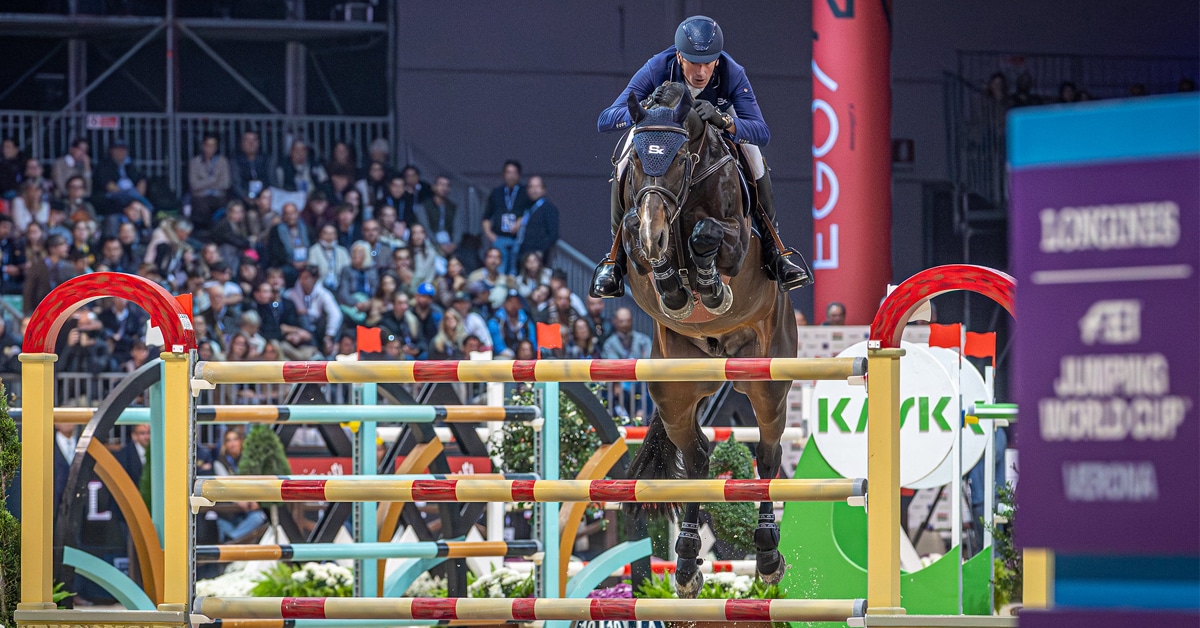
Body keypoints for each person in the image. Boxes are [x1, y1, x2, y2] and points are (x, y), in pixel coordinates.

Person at [590, 15, 811, 297]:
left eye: (709, 62)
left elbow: (761, 131)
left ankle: (775, 250)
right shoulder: (658, 66)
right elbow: (606, 119)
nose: (701, 71)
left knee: (754, 157)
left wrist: (726, 122)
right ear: (679, 56)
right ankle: (615, 259)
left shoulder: (732, 72)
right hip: (666, 131)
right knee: (623, 157)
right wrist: (647, 107)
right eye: (694, 61)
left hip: (716, 125)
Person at [212, 428, 268, 542]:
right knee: (223, 527)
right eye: (228, 440)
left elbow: (254, 483)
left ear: (241, 442)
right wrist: (239, 500)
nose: (232, 444)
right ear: (225, 444)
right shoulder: (220, 462)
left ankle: (232, 539)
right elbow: (226, 486)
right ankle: (232, 540)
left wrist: (254, 499)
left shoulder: (248, 460)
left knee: (259, 517)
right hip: (227, 510)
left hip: (247, 509)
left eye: (235, 439)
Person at [481, 160, 529, 275]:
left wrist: (520, 222)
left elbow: (530, 212)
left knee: (515, 268)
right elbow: (486, 216)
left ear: (519, 175)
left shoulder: (525, 192)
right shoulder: (496, 192)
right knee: (500, 267)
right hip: (499, 237)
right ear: (503, 174)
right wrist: (490, 235)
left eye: (514, 173)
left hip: (518, 238)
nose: (511, 176)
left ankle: (512, 290)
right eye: (508, 172)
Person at [93, 138, 152, 213]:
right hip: (113, 197)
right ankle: (149, 208)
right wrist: (128, 194)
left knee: (135, 197)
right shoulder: (104, 166)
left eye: (123, 150)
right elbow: (109, 186)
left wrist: (140, 186)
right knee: (132, 195)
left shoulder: (130, 164)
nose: (121, 152)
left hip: (132, 195)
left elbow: (141, 178)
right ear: (112, 151)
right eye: (118, 149)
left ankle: (148, 211)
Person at [188, 132, 232, 230]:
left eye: (213, 146)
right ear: (203, 146)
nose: (210, 149)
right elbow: (194, 185)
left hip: (219, 196)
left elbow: (225, 184)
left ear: (216, 147)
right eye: (207, 145)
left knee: (223, 204)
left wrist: (204, 183)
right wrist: (213, 180)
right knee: (201, 205)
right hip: (201, 197)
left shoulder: (223, 161)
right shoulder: (195, 162)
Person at [516, 175, 559, 266]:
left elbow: (553, 234)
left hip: (538, 257)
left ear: (544, 189)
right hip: (524, 253)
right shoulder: (529, 207)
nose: (534, 190)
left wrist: (540, 251)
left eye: (537, 187)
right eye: (531, 187)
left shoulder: (548, 208)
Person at [414, 175, 459, 258]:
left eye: (446, 185)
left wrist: (454, 243)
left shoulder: (452, 207)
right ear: (434, 187)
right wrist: (438, 245)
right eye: (441, 184)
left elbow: (458, 227)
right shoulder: (423, 206)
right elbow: (425, 228)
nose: (444, 188)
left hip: (448, 241)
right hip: (430, 242)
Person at [488, 289, 536, 358]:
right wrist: (514, 356)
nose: (513, 305)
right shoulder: (496, 321)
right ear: (504, 303)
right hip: (505, 354)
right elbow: (498, 347)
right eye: (510, 302)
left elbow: (532, 342)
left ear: (520, 305)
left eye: (516, 302)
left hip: (524, 354)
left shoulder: (526, 320)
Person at [230, 129, 271, 201]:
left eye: (254, 140)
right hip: (242, 198)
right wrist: (246, 197)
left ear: (258, 143)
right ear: (242, 143)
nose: (251, 144)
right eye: (247, 140)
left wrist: (262, 197)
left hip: (264, 198)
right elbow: (236, 183)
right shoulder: (236, 160)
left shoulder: (266, 160)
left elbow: (271, 181)